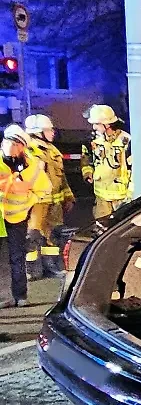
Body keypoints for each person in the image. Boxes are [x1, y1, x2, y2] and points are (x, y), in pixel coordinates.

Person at [1, 125, 48, 307]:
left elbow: (44, 189)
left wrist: (29, 201)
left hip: (17, 217)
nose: (9, 146)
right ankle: (5, 297)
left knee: (17, 257)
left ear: (22, 147)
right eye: (7, 141)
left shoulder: (32, 167)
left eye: (14, 143)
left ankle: (20, 296)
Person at [24, 114, 72, 279]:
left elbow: (61, 176)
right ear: (38, 132)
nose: (52, 132)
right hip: (37, 203)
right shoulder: (29, 150)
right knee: (33, 236)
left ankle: (50, 266)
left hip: (54, 203)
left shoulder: (53, 151)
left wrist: (68, 196)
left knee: (53, 236)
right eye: (48, 130)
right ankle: (30, 270)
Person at [81, 105, 132, 219]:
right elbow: (87, 159)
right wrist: (88, 173)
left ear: (107, 124)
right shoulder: (94, 140)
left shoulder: (126, 140)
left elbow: (133, 169)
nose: (94, 127)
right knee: (102, 229)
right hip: (101, 195)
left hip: (121, 197)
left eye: (97, 124)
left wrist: (130, 194)